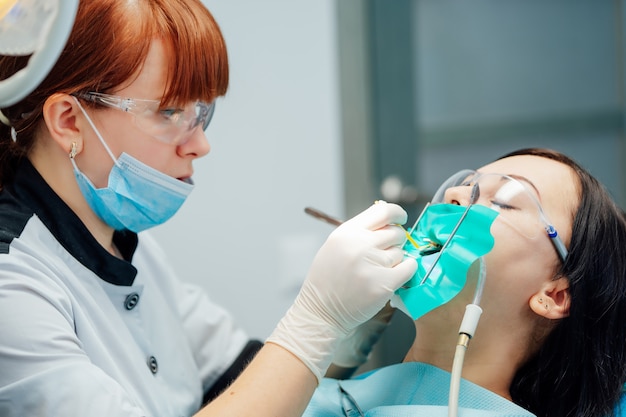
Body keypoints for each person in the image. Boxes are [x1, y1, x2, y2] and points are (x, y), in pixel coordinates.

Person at [0, 1, 416, 416]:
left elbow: (250, 382)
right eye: (169, 111)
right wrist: (318, 317)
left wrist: (349, 327)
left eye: (202, 112)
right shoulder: (12, 288)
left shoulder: (125, 243)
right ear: (69, 120)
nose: (200, 145)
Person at [303, 148, 626, 417]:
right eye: (465, 184)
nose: (455, 194)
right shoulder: (345, 394)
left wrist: (315, 321)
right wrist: (327, 353)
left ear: (554, 295)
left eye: (503, 201)